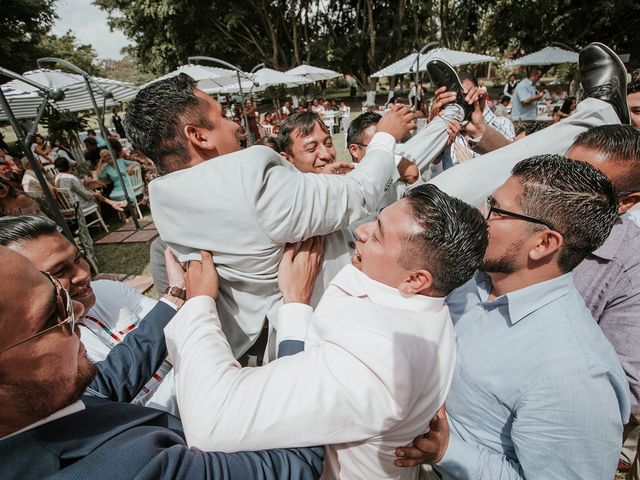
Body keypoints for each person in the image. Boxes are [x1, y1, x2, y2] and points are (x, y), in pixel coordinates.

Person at [164, 184, 488, 480]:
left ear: (415, 280)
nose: (360, 231)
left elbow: (215, 418)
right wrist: (296, 302)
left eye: (377, 236)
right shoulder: (420, 307)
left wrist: (199, 304)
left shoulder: (378, 362)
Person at [125, 73, 415, 358]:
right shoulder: (249, 176)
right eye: (223, 116)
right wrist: (385, 136)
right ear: (199, 136)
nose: (235, 124)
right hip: (312, 333)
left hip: (244, 345)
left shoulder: (164, 198)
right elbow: (359, 193)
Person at [395, 155, 629, 480]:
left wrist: (447, 452)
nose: (480, 215)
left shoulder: (574, 374)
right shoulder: (472, 281)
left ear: (543, 243)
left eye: (496, 210)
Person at [0, 246, 324, 479]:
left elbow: (112, 378)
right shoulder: (130, 468)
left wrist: (177, 297)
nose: (78, 311)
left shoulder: (36, 405)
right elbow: (296, 462)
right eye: (53, 312)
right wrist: (295, 306)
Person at [429, 42, 630, 208]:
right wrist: (436, 132)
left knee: (437, 194)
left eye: (466, 96)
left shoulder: (499, 123)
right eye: (460, 100)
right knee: (437, 196)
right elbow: (421, 173)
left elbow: (513, 159)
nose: (467, 100)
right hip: (468, 216)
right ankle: (601, 116)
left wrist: (479, 128)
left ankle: (600, 117)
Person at [565, 125, 640, 478]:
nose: (556, 190)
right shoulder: (515, 216)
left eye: (582, 186)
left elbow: (626, 389)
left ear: (627, 201)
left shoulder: (631, 270)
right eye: (559, 170)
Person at [53, 157, 124, 212]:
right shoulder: (72, 178)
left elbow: (71, 185)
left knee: (93, 193)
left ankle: (113, 203)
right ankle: (100, 223)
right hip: (78, 206)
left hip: (67, 207)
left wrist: (91, 181)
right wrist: (96, 194)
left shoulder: (57, 178)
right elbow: (86, 195)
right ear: (68, 165)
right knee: (95, 195)